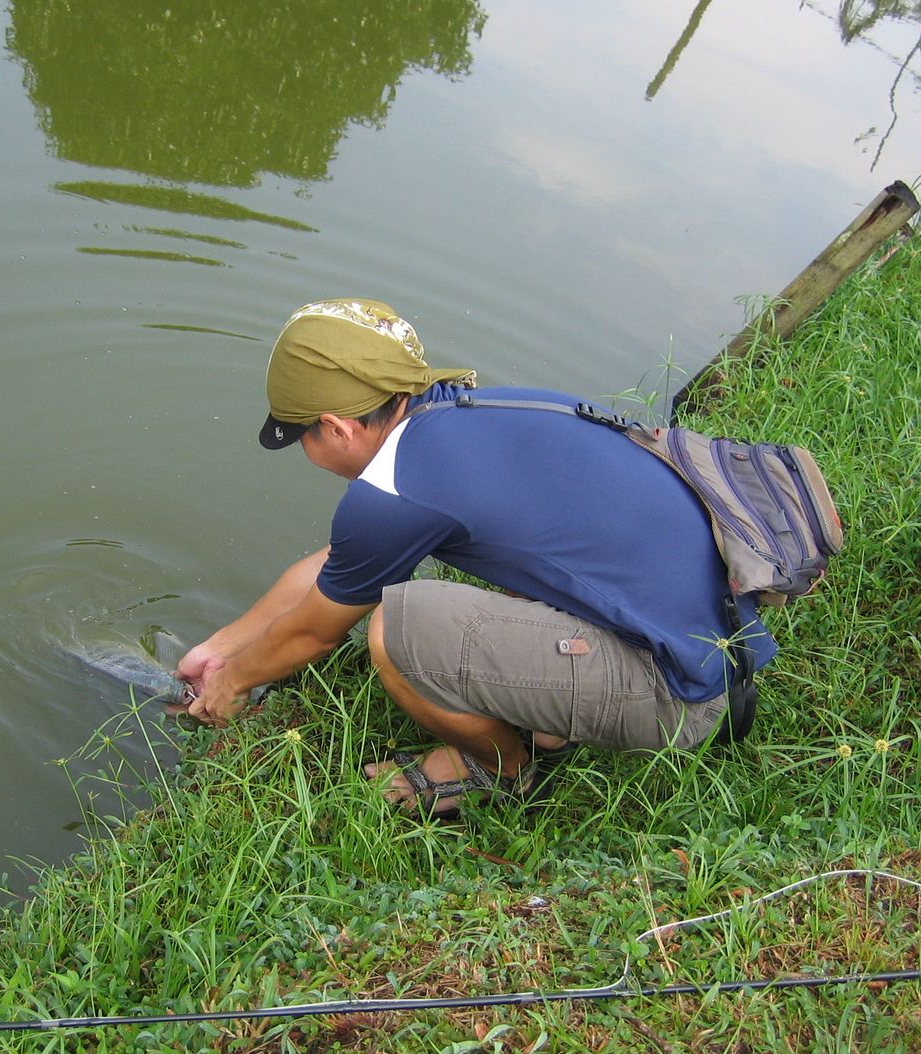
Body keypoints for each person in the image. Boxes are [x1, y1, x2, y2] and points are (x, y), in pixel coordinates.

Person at [177, 298, 774, 818]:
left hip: (682, 696)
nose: (303, 448)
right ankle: (551, 727)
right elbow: (341, 564)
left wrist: (233, 685)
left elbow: (312, 633)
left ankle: (502, 773)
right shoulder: (468, 414)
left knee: (398, 627)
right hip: (726, 643)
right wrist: (221, 649)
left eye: (299, 435)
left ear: (335, 427)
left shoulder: (391, 495)